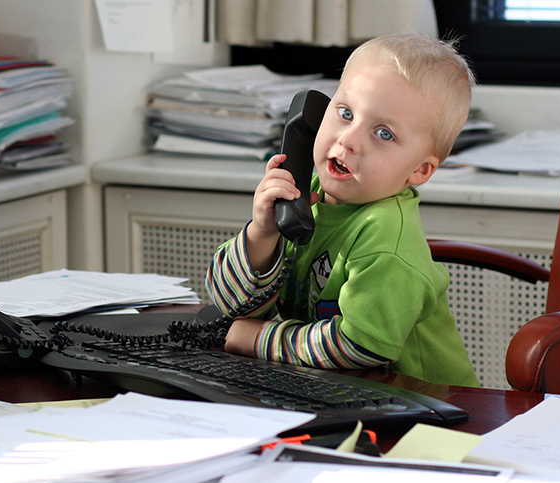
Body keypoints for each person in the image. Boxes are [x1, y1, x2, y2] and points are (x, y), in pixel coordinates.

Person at [205, 33, 479, 387]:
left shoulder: (386, 239)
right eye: (346, 113)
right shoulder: (306, 193)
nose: (348, 139)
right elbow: (229, 307)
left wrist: (261, 339)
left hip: (427, 410)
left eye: (383, 134)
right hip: (335, 389)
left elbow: (361, 345)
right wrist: (262, 233)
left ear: (419, 171)